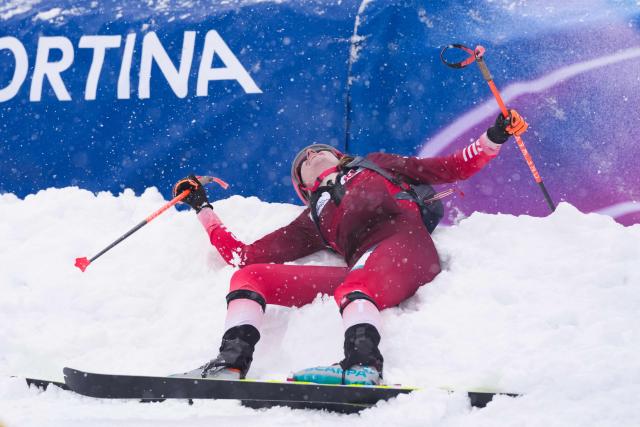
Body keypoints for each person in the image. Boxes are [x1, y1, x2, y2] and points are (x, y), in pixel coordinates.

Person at [172, 110, 528, 385]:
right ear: (304, 187)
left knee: (355, 282)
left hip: (405, 249)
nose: (310, 155)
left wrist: (494, 136)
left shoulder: (376, 166)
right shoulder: (311, 218)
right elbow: (242, 256)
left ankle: (362, 365)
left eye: (317, 151)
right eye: (302, 163)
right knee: (251, 276)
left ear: (339, 156)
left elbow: (452, 167)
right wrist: (202, 207)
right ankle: (230, 362)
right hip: (363, 275)